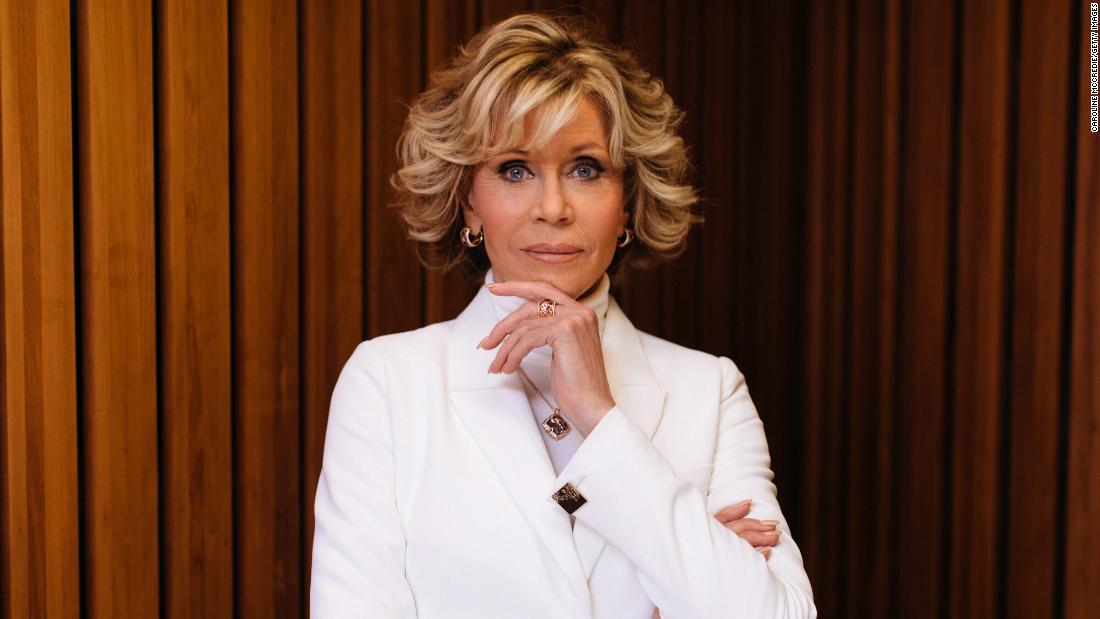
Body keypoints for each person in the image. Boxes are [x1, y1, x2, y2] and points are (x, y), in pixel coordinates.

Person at [311, 11, 815, 618]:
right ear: (469, 202)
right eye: (515, 169)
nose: (553, 207)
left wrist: (600, 420)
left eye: (586, 168)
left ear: (627, 201)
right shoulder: (387, 383)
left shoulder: (709, 390)